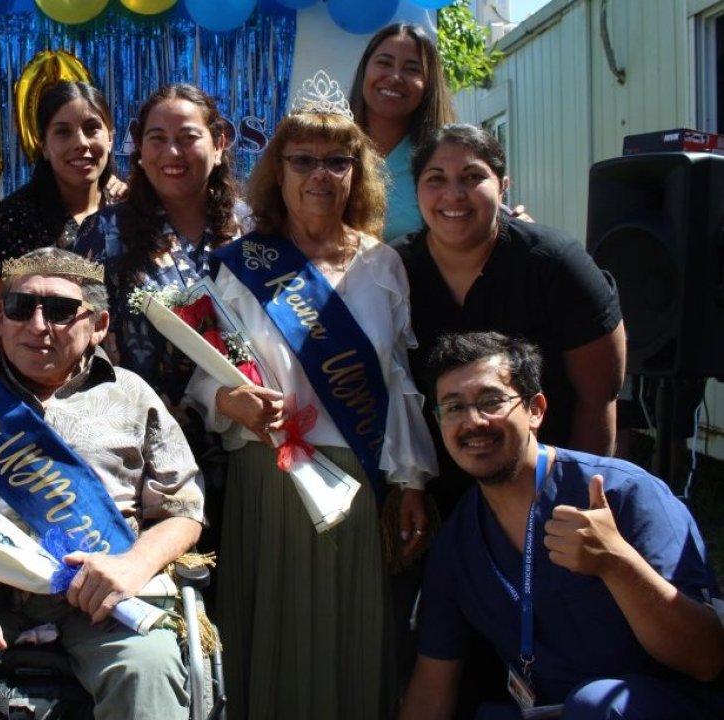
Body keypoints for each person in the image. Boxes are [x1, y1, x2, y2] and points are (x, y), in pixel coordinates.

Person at [185, 74, 437, 719]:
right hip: (268, 477)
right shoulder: (241, 264)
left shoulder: (383, 265)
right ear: (278, 171)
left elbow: (398, 382)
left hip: (356, 480)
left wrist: (410, 481)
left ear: (357, 173)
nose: (320, 175)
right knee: (272, 640)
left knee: (349, 639)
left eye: (337, 161)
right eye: (303, 160)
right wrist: (230, 402)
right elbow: (204, 373)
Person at [0, 248, 204, 719]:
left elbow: (183, 510)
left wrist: (134, 565)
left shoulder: (134, 396)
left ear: (99, 325)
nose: (37, 325)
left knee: (150, 667)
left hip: (103, 595)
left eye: (59, 310)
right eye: (20, 307)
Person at [401, 331, 724, 720]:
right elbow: (432, 688)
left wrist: (617, 563)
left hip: (646, 706)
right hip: (546, 710)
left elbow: (707, 658)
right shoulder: (458, 542)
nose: (473, 421)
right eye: (454, 407)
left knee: (596, 704)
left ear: (535, 410)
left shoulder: (626, 494)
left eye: (490, 402)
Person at [391, 123, 625, 519]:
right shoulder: (393, 271)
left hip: (544, 489)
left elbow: (598, 395)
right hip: (438, 497)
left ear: (503, 186)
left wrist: (574, 502)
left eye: (472, 177)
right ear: (417, 191)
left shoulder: (555, 263)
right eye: (436, 179)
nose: (454, 194)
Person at [74, 83, 244, 567]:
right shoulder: (104, 233)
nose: (172, 153)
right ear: (139, 148)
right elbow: (81, 343)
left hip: (242, 443)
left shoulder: (253, 232)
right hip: (142, 454)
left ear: (219, 143)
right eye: (157, 138)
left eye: (188, 137)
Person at [0, 81, 118, 347]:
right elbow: (0, 326)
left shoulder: (129, 211)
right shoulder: (14, 219)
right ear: (43, 146)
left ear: (110, 137)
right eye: (63, 132)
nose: (81, 143)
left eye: (92, 128)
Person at [350, 23, 456, 241]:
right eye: (384, 63)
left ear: (429, 84)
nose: (395, 77)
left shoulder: (444, 162)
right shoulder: (329, 152)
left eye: (412, 69)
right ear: (364, 70)